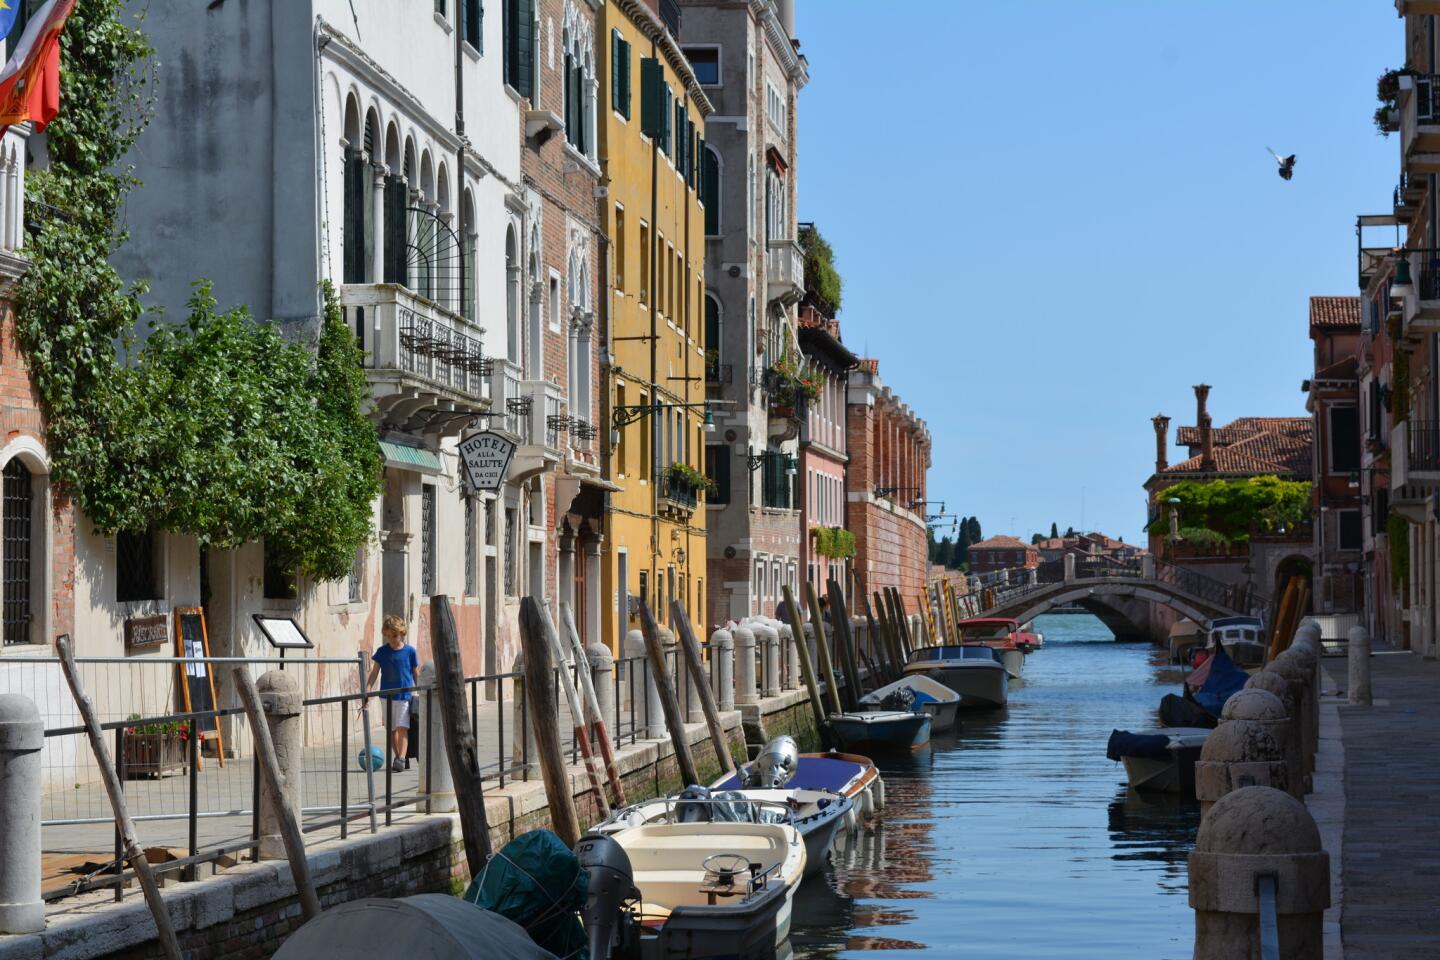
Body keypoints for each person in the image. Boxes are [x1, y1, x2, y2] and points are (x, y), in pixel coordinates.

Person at [365, 615, 419, 773]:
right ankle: (398, 757)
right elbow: (374, 673)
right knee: (391, 729)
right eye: (388, 636)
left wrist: (422, 689)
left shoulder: (410, 651)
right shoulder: (382, 652)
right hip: (386, 696)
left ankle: (401, 758)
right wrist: (368, 689)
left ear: (401, 633)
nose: (391, 639)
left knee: (403, 727)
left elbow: (415, 673)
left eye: (394, 636)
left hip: (404, 696)